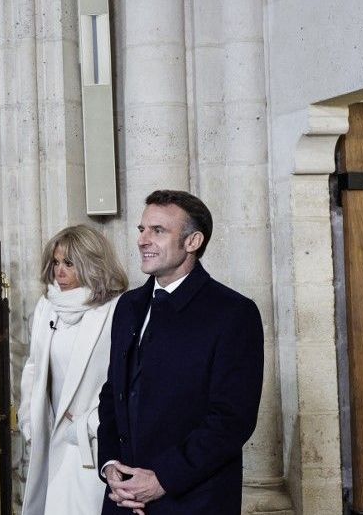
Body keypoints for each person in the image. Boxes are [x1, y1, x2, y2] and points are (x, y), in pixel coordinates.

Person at [96, 190, 264, 514]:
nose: (143, 240)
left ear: (193, 241)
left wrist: (162, 478)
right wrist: (110, 465)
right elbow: (112, 393)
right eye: (142, 229)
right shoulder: (128, 306)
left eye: (158, 231)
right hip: (123, 499)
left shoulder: (233, 313)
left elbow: (231, 419)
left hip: (191, 500)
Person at [19, 224, 128, 514]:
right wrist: (29, 420)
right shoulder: (48, 306)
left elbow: (124, 376)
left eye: (69, 263)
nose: (59, 271)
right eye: (55, 262)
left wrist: (90, 422)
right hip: (50, 430)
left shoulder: (116, 308)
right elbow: (34, 366)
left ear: (91, 263)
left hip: (90, 441)